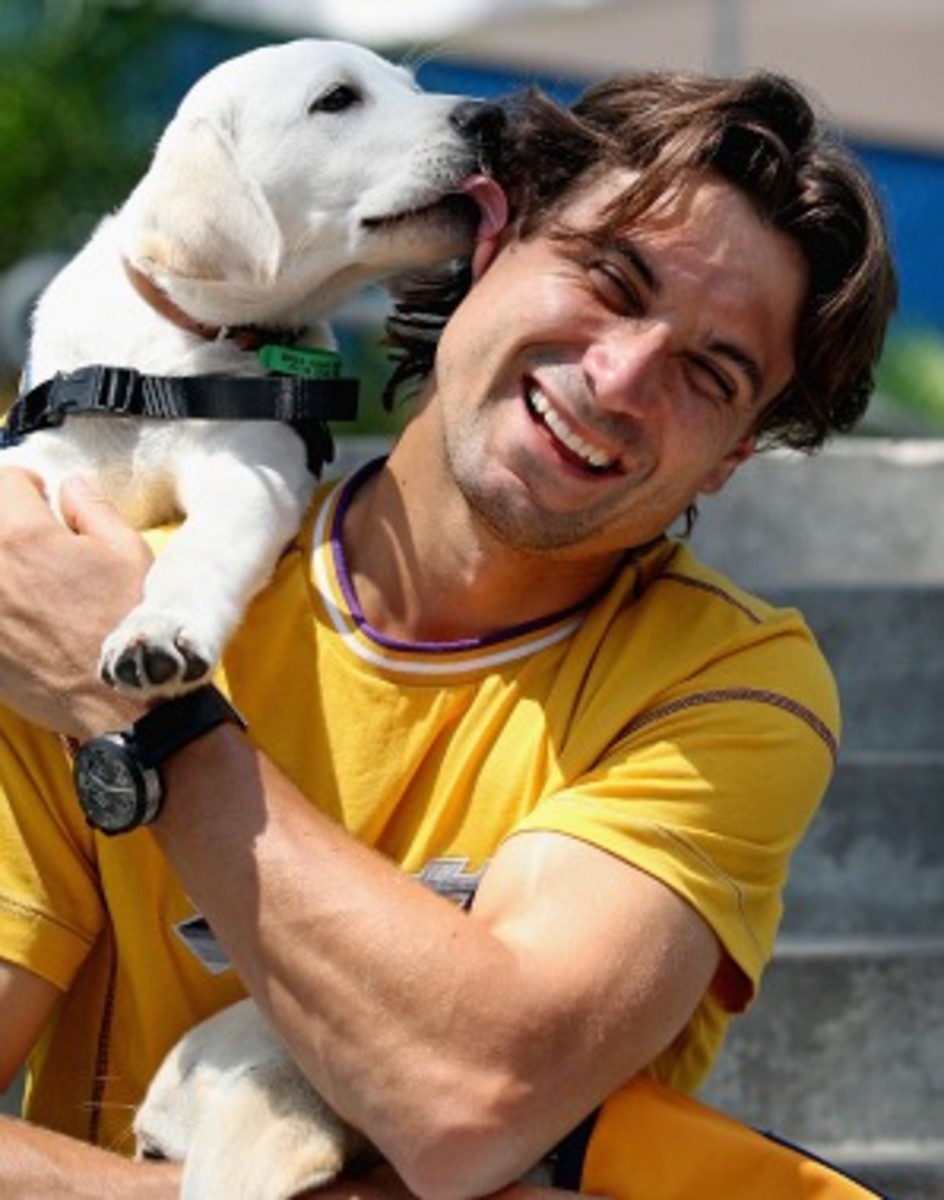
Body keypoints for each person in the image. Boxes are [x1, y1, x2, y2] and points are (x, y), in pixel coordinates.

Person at [0, 68, 895, 1198]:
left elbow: (465, 1104)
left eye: (708, 374)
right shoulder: (90, 558)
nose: (617, 379)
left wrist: (142, 712)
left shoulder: (726, 682)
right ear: (485, 245)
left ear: (730, 456)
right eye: (609, 280)